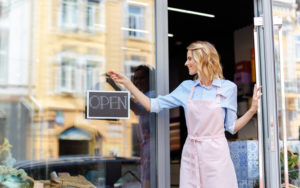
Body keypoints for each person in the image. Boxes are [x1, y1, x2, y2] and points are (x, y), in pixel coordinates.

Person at [108, 41, 262, 188]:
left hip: (216, 155)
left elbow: (232, 127)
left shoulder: (228, 88)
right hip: (192, 154)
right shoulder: (186, 88)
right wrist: (128, 83)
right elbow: (152, 105)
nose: (186, 63)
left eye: (189, 58)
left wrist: (252, 110)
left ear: (203, 59)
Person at [107, 65, 155, 188]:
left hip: (152, 149)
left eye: (142, 78)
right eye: (135, 79)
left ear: (150, 80)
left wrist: (117, 87)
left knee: (148, 181)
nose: (138, 82)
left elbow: (137, 109)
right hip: (145, 148)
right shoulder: (145, 96)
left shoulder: (152, 95)